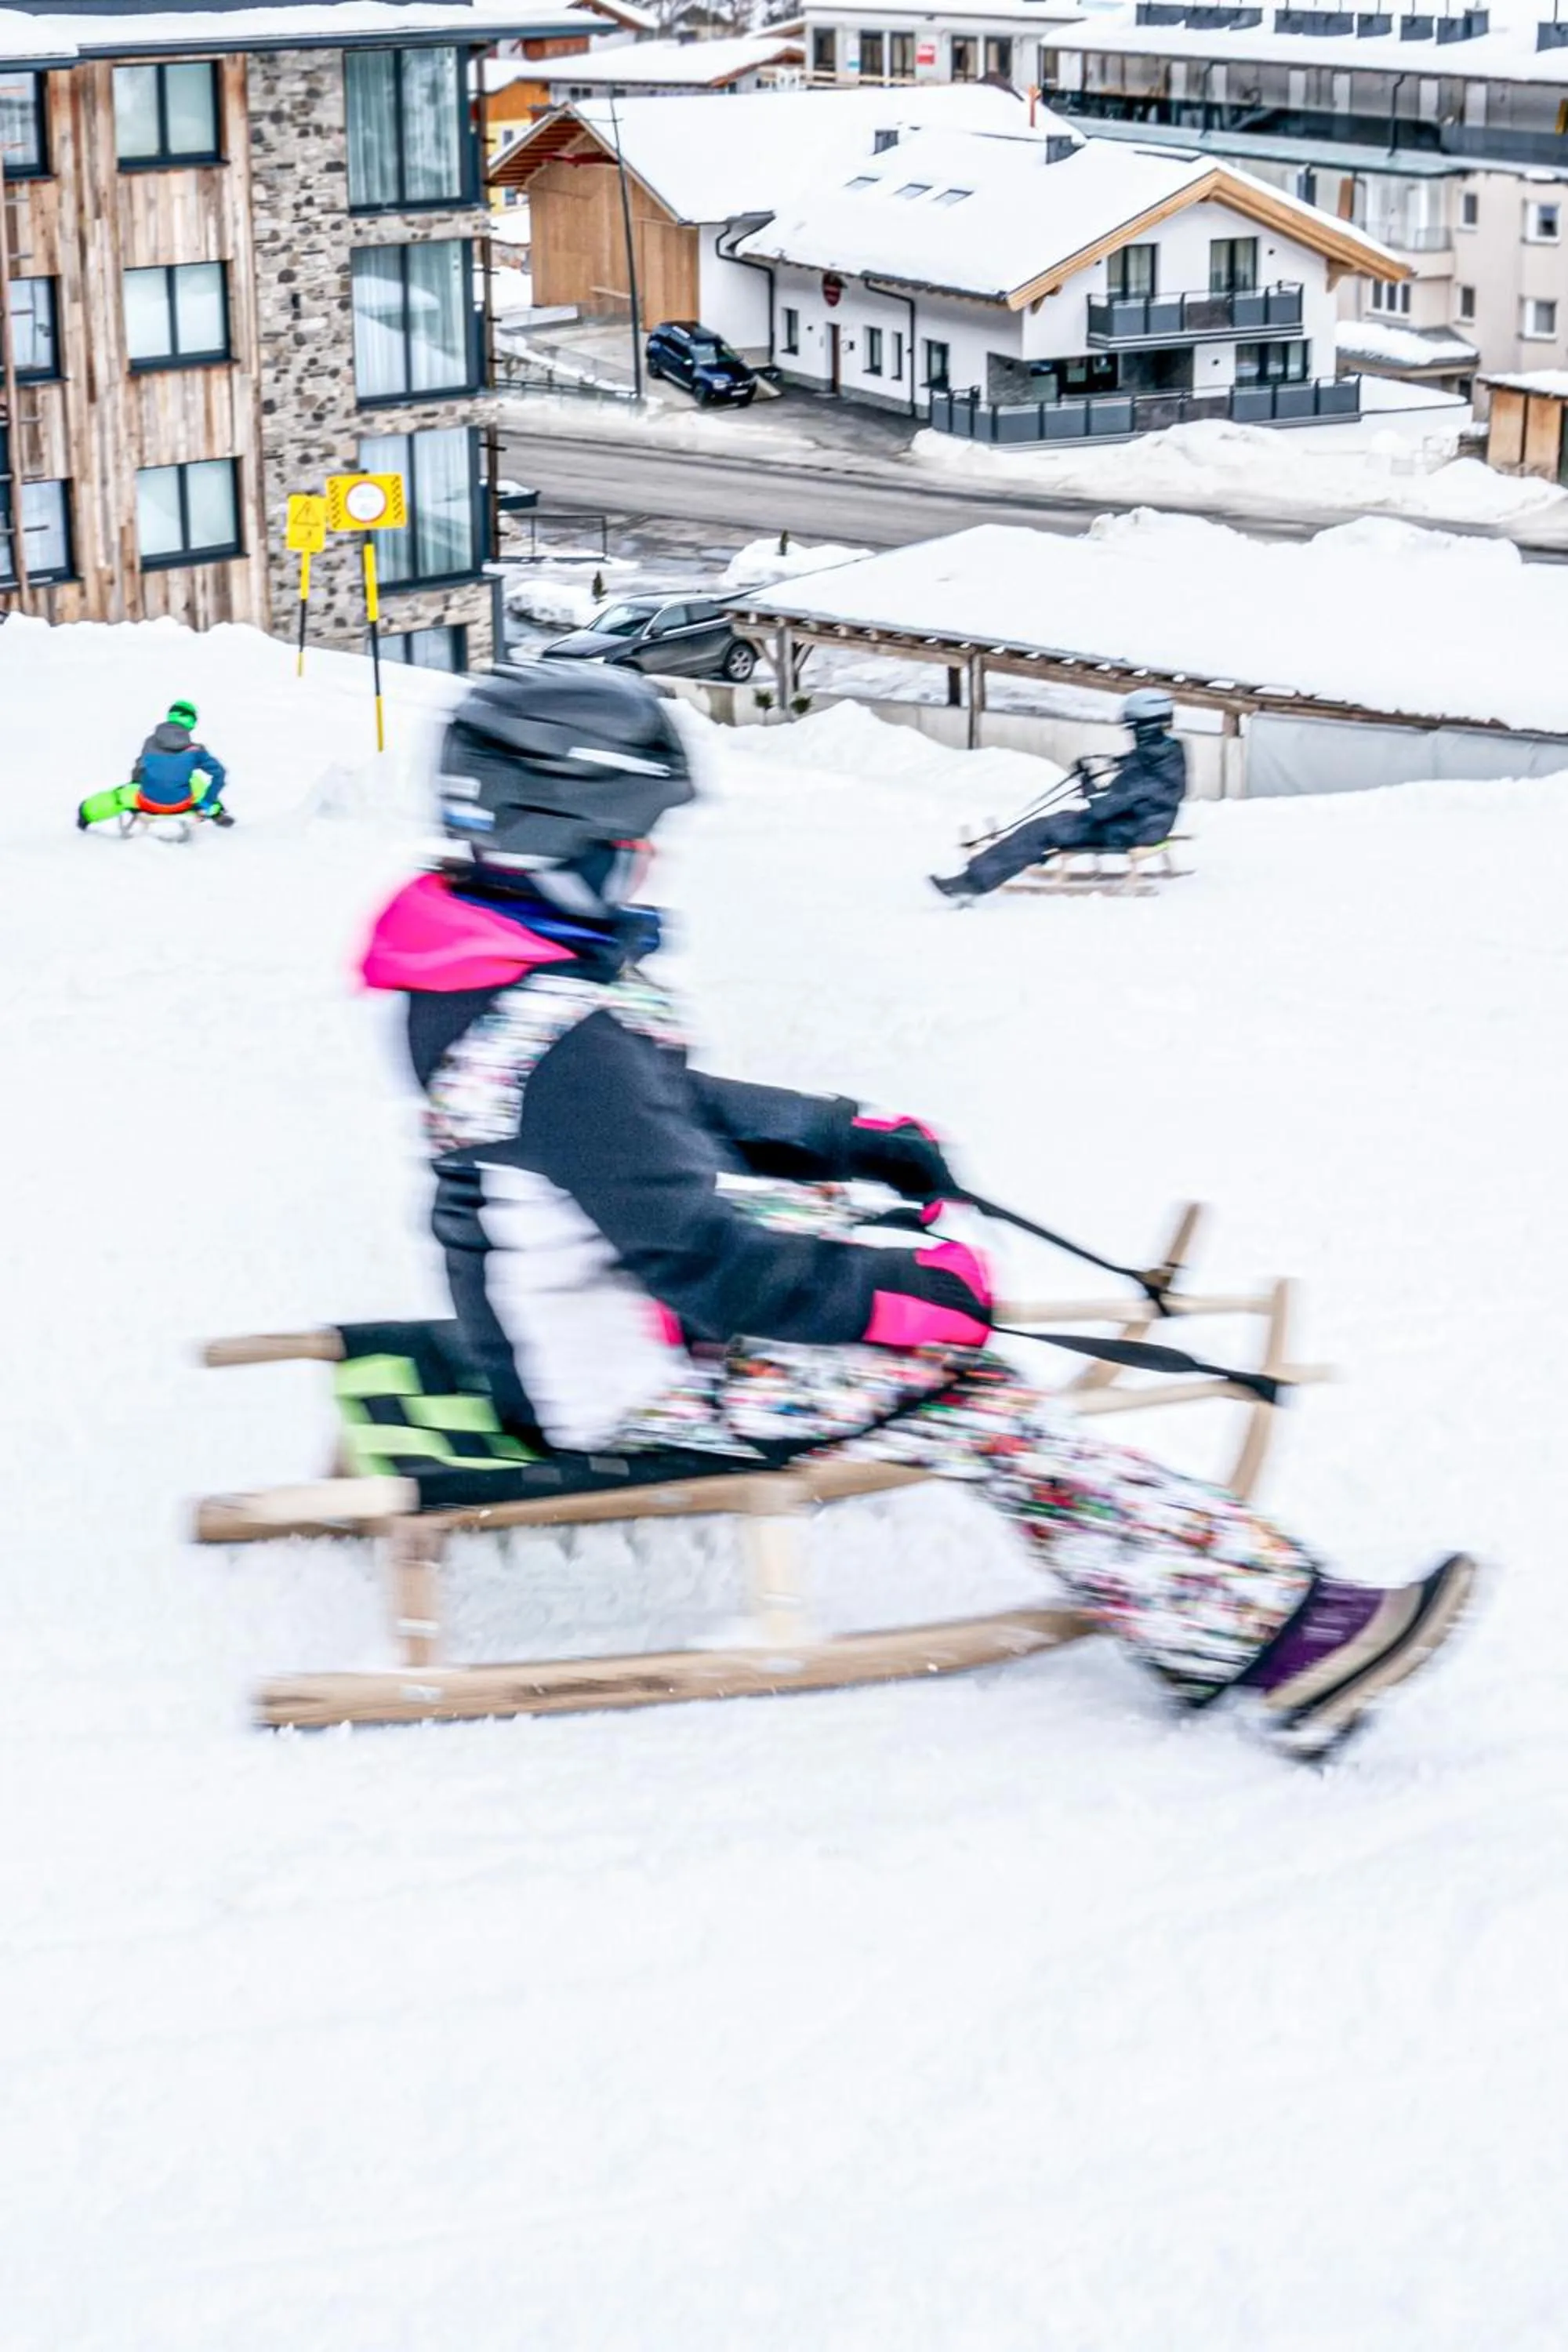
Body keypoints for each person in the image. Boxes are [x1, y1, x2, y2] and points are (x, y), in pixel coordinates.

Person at [359, 663, 1474, 1760]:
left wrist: (839, 1134)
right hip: (617, 1388)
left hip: (565, 1328)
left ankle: (1214, 1594)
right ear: (567, 835)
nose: (650, 861)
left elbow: (661, 1110)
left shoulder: (485, 971)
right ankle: (1278, 1635)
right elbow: (704, 1261)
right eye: (636, 839)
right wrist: (902, 1301)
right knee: (972, 1386)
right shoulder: (563, 1042)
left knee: (851, 1226)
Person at [931, 688, 1186, 904]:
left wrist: (1089, 783)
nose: (1131, 734)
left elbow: (1104, 808)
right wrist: (1101, 767)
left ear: (1145, 727)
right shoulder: (1163, 756)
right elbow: (1129, 780)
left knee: (1043, 831)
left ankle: (973, 883)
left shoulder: (1153, 766)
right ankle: (976, 876)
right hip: (1138, 822)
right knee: (1052, 823)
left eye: (1133, 728)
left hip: (1135, 829)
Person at [76, 699, 233, 832]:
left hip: (147, 802)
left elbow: (140, 769)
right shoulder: (196, 750)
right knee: (195, 782)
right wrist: (207, 801)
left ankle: (87, 813)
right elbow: (220, 774)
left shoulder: (150, 743)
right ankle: (215, 812)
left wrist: (137, 784)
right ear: (192, 723)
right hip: (182, 803)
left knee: (120, 795)